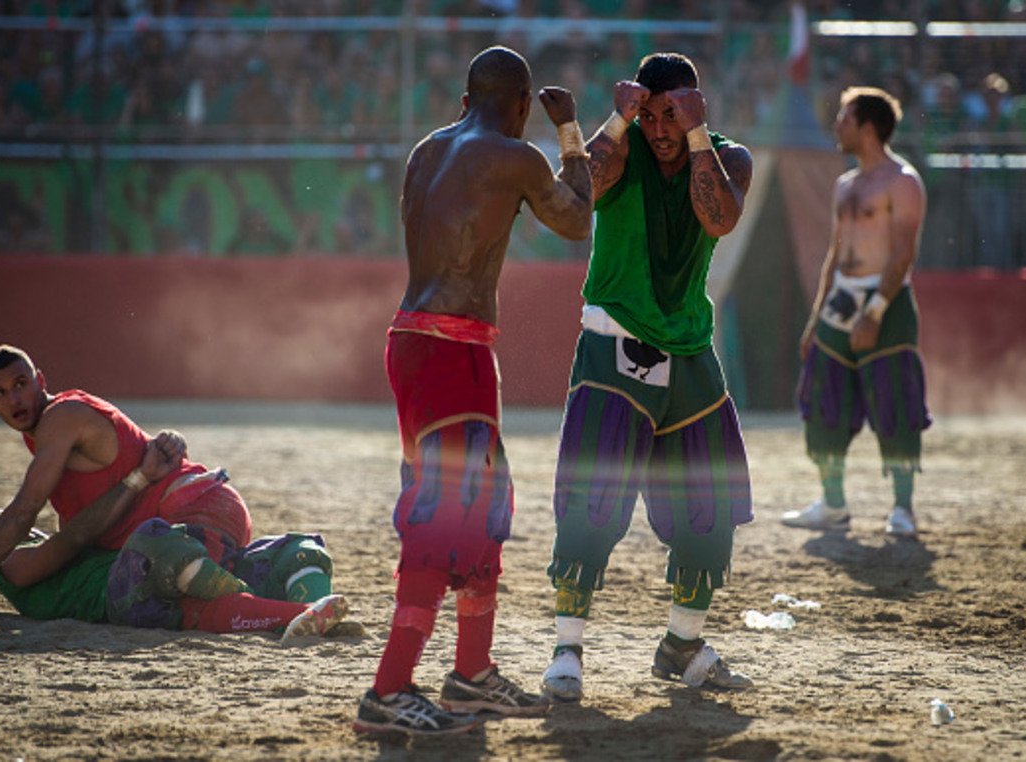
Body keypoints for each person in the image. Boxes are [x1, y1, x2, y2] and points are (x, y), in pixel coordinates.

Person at [353, 45, 592, 736]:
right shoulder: (516, 155)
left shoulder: (428, 150)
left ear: (466, 98)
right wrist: (570, 131)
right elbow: (577, 218)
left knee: (481, 505)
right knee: (447, 513)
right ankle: (389, 689)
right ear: (521, 106)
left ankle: (471, 676)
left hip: (419, 340)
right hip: (450, 349)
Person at [540, 52, 755, 704]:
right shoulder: (625, 144)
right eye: (652, 113)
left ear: (694, 106)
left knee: (710, 507)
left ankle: (683, 645)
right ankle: (567, 650)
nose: (659, 127)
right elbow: (579, 195)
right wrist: (615, 119)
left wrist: (694, 136)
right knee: (591, 504)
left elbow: (717, 217)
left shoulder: (727, 156)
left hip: (690, 352)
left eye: (673, 114)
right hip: (614, 348)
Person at [0, 344, 254, 619]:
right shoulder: (44, 435)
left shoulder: (60, 419)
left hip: (196, 513)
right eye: (0, 393)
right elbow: (81, 531)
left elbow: (24, 511)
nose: (15, 399)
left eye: (21, 384)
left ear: (41, 381)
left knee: (205, 609)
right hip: (194, 523)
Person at [781, 86, 930, 538]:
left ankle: (902, 508)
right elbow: (835, 253)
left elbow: (903, 252)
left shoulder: (903, 181)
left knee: (896, 403)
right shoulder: (845, 184)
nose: (836, 125)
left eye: (844, 118)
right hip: (841, 301)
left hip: (887, 301)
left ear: (867, 126)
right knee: (823, 399)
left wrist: (877, 310)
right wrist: (816, 318)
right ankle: (833, 503)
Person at [0, 503, 350, 639]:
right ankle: (295, 616)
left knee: (297, 550)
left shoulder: (59, 537)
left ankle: (315, 613)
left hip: (166, 575)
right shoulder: (7, 565)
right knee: (154, 539)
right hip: (122, 598)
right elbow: (70, 541)